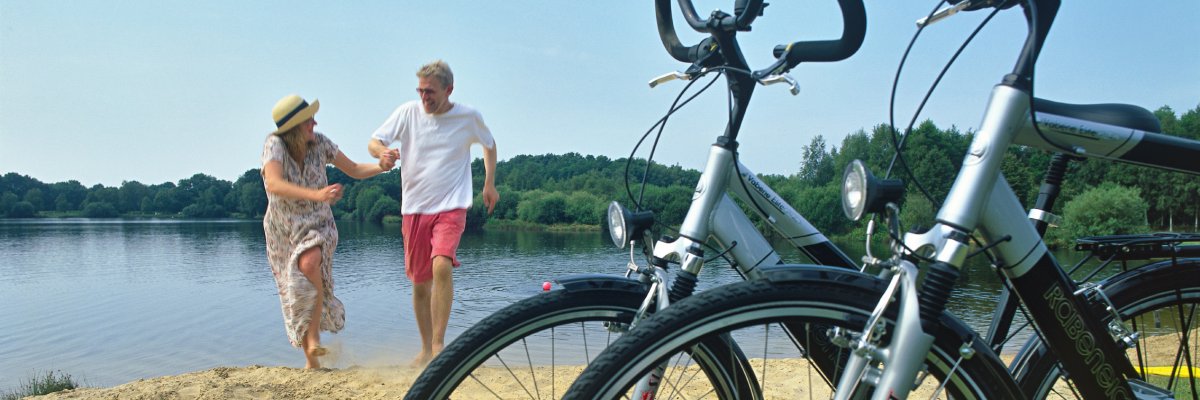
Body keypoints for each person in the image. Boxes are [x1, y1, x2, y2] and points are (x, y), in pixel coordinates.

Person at [368, 60, 499, 367]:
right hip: (414, 208)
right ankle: (425, 348)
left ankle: (439, 345)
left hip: (451, 205)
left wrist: (489, 183)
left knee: (441, 264)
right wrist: (382, 153)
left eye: (430, 91)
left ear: (449, 89)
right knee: (420, 283)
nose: (424, 97)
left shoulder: (468, 116)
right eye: (420, 91)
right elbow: (375, 142)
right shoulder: (407, 113)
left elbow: (490, 145)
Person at [261, 94, 397, 369]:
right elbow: (273, 184)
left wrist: (380, 167)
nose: (315, 123)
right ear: (294, 127)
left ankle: (313, 340)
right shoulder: (274, 145)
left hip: (318, 221)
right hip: (283, 228)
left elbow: (354, 168)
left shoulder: (321, 143)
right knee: (296, 285)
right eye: (308, 120)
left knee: (309, 263)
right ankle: (312, 360)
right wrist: (316, 193)